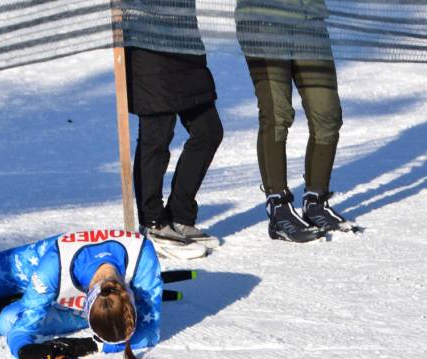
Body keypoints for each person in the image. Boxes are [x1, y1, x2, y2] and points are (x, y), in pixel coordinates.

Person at [0, 228, 162, 359]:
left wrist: (90, 345)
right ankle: (27, 294)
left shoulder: (145, 258)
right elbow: (24, 331)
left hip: (61, 289)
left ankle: (34, 299)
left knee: (6, 321)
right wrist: (23, 349)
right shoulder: (51, 268)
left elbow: (151, 332)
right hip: (38, 263)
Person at [236, 0, 352, 242]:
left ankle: (316, 202)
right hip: (262, 22)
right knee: (277, 114)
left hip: (308, 21)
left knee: (327, 114)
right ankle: (278, 207)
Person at [124, 1, 224, 258]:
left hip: (184, 41)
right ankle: (154, 223)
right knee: (156, 138)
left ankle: (180, 215)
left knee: (209, 131)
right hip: (147, 46)